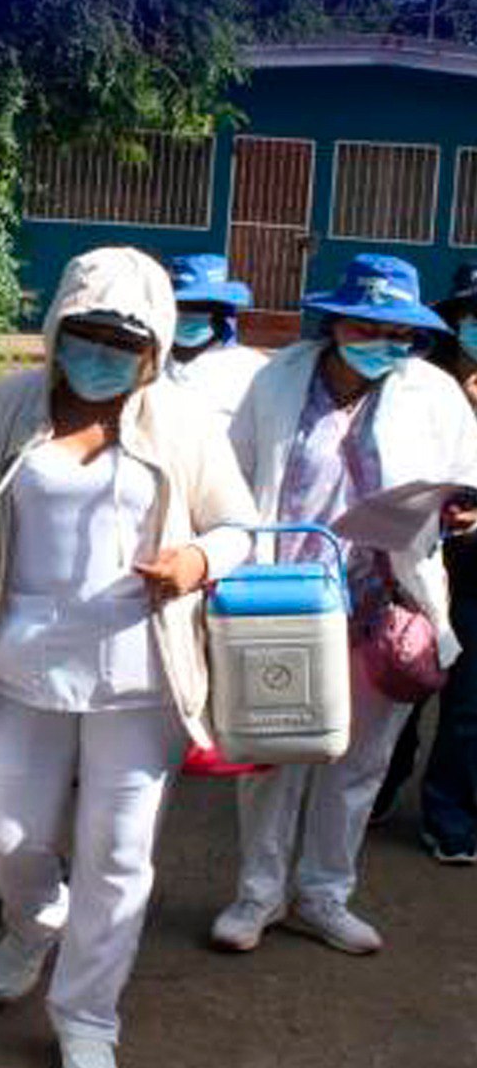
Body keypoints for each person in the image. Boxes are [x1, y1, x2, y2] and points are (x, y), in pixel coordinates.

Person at [0, 247, 257, 1068]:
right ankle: (33, 917)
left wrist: (198, 562)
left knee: (118, 855)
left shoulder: (180, 423)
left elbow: (238, 526)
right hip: (21, 667)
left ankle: (87, 1015)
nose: (102, 353)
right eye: (87, 334)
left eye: (125, 342)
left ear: (155, 347)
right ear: (56, 329)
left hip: (139, 678)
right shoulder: (8, 408)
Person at [211, 252, 477, 957]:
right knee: (276, 753)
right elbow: (233, 480)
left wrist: (462, 513)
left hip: (382, 603)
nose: (386, 343)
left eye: (402, 333)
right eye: (370, 326)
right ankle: (257, 895)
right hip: (286, 599)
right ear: (336, 324)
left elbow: (468, 481)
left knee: (359, 761)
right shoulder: (278, 382)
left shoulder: (434, 394)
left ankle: (325, 894)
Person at [369, 261, 477, 863]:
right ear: (452, 320)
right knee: (400, 687)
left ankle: (450, 813)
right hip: (412, 565)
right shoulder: (415, 386)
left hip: (476, 578)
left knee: (468, 707)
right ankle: (379, 787)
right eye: (472, 316)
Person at [164, 253, 267, 425]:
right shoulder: (145, 366)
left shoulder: (253, 371)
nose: (191, 314)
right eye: (182, 306)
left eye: (203, 307)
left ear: (222, 313)